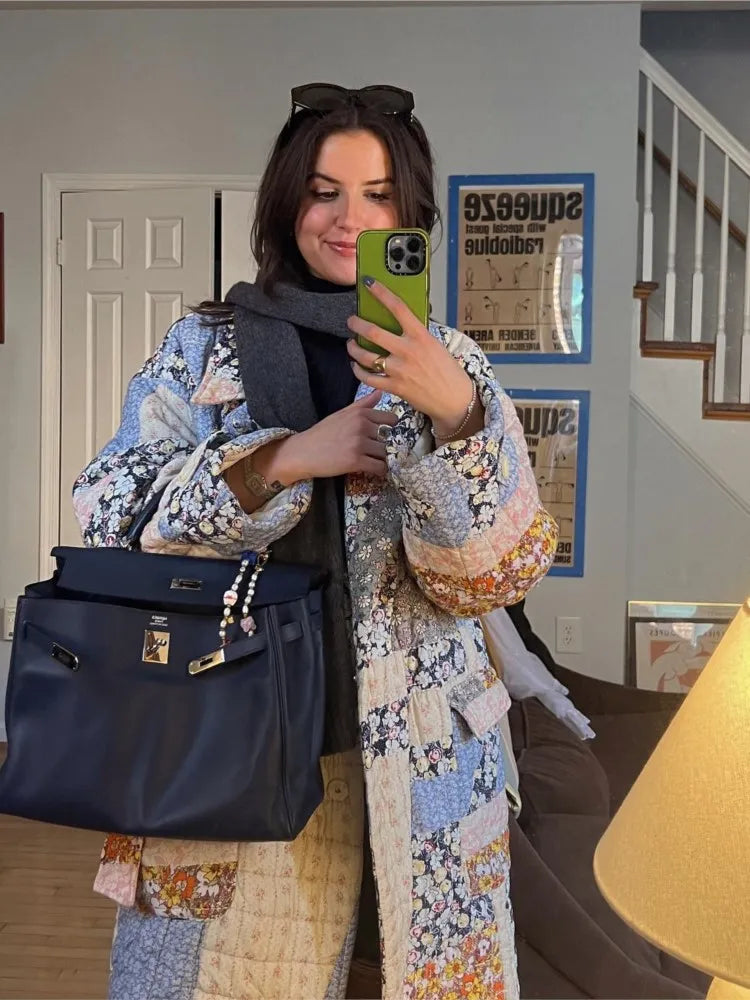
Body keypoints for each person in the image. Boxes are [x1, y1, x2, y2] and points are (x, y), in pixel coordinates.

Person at [73, 83, 557, 1000]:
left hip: (423, 768)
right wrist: (285, 460)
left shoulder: (450, 362)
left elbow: (498, 575)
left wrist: (457, 415)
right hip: (232, 743)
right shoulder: (202, 349)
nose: (348, 219)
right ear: (286, 201)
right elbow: (109, 518)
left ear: (410, 216)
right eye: (324, 192)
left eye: (378, 195)